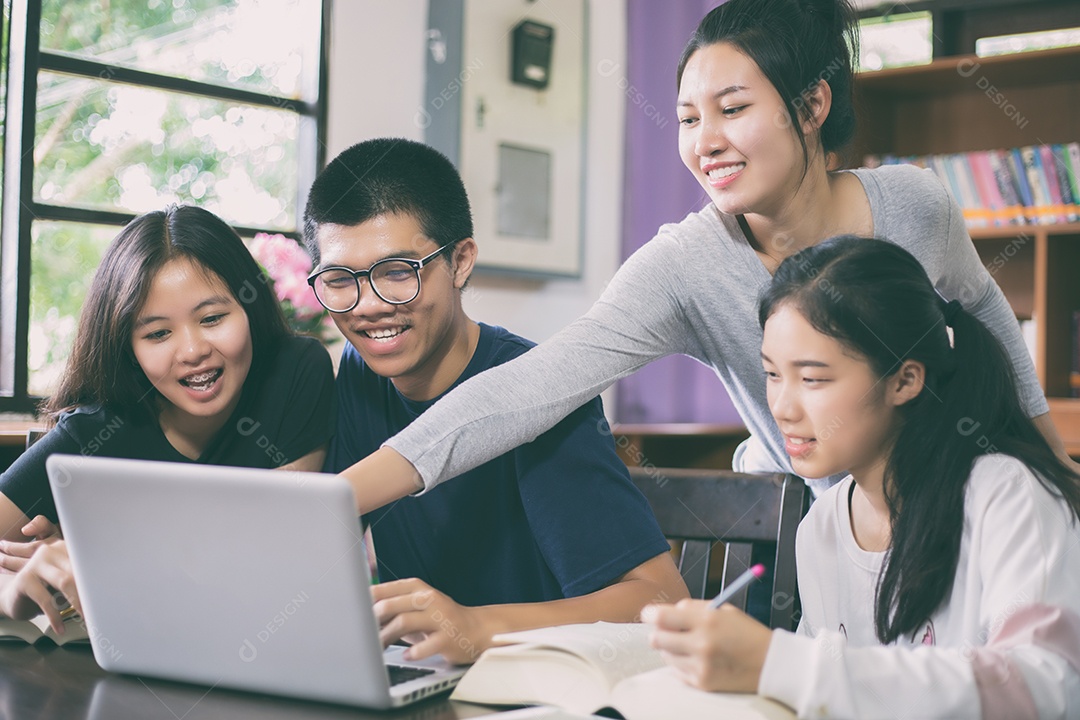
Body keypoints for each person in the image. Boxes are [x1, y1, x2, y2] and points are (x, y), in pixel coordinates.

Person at [329, 0, 1074, 512]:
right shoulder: (686, 266)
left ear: (813, 106)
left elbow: (980, 308)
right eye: (688, 118)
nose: (705, 142)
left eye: (734, 109)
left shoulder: (915, 204)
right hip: (821, 534)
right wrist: (340, 499)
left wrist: (1047, 454)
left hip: (953, 495)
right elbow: (530, 387)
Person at [643, 236, 1080, 718]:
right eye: (772, 374)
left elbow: (1044, 684)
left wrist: (784, 665)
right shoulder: (824, 523)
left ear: (904, 380)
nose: (783, 409)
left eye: (813, 379)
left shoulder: (1006, 496)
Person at [304, 138, 687, 664]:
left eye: (397, 272)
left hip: (540, 687)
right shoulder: (359, 373)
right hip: (428, 680)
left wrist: (477, 628)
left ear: (460, 262)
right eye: (340, 280)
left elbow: (660, 600)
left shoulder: (539, 393)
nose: (368, 306)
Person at [0, 205, 336, 632]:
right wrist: (10, 591)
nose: (193, 350)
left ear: (249, 309)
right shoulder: (97, 429)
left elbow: (273, 548)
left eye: (212, 318)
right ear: (128, 348)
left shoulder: (295, 372)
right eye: (158, 333)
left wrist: (98, 555)